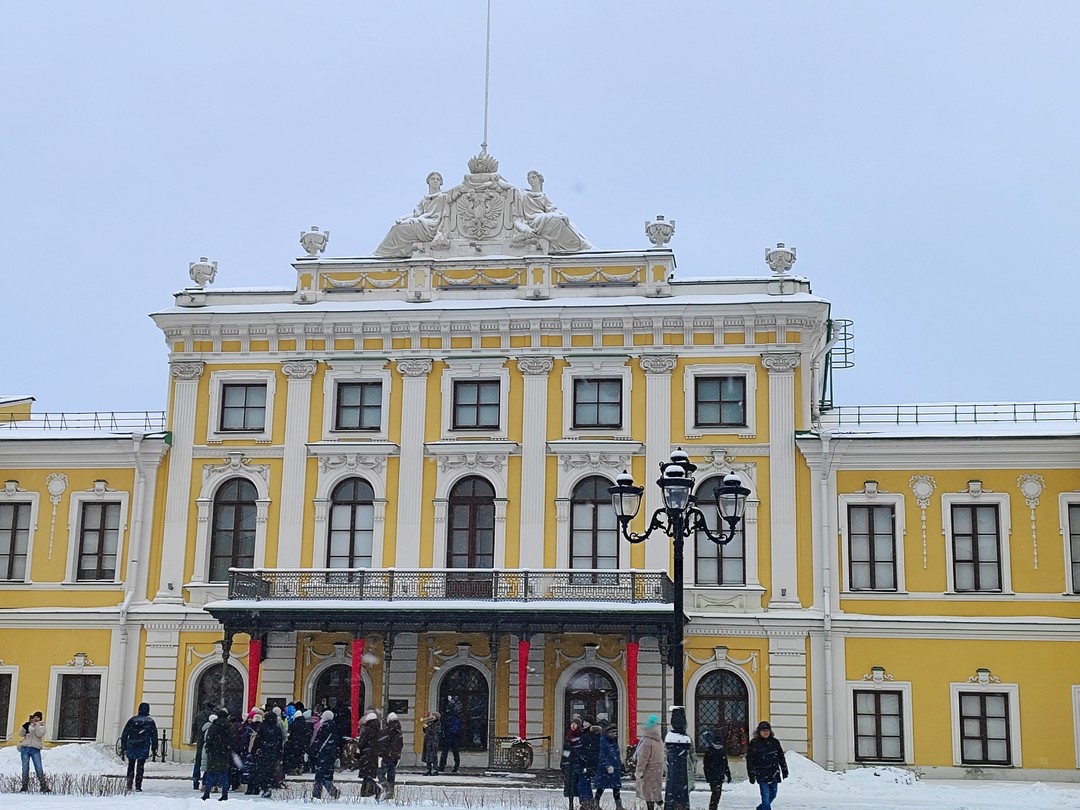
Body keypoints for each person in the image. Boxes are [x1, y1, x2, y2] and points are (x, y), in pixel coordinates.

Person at [375, 171, 449, 257]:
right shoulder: (424, 199)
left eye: (438, 179)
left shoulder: (443, 196)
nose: (435, 181)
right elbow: (415, 214)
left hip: (433, 225)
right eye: (433, 179)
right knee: (396, 228)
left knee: (398, 229)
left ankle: (382, 254)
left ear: (441, 183)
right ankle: (385, 253)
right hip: (422, 222)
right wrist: (402, 218)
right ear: (428, 182)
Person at [516, 170, 592, 253]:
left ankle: (579, 243)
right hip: (534, 220)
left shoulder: (544, 197)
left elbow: (553, 210)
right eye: (529, 178)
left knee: (568, 222)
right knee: (558, 220)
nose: (531, 180)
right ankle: (580, 244)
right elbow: (509, 187)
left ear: (540, 180)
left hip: (543, 218)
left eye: (533, 177)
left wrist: (562, 214)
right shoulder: (525, 195)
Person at [745, 721, 788, 810]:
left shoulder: (775, 742)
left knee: (773, 794)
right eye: (763, 730)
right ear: (759, 732)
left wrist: (784, 770)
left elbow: (781, 757)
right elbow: (750, 760)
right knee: (765, 797)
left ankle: (760, 808)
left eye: (767, 730)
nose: (766, 732)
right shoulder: (754, 743)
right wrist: (751, 774)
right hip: (761, 773)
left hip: (774, 772)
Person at [120, 702, 159, 792]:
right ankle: (138, 786)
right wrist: (154, 747)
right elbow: (154, 735)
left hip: (132, 745)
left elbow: (125, 733)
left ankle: (129, 784)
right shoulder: (150, 722)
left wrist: (123, 745)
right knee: (140, 766)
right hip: (143, 746)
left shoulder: (132, 720)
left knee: (131, 765)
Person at [202, 709, 235, 802]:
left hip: (214, 753)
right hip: (224, 753)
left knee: (211, 774)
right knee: (224, 774)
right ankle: (224, 794)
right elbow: (232, 740)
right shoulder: (229, 727)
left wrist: (209, 749)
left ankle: (207, 793)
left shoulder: (213, 726)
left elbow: (209, 740)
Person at [251, 707, 284, 798]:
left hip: (263, 752)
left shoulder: (262, 727)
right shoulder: (277, 729)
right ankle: (268, 785)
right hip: (273, 753)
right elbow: (280, 742)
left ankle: (264, 786)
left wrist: (254, 750)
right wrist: (280, 754)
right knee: (270, 771)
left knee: (261, 771)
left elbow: (257, 740)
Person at [310, 709, 341, 800]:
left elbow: (319, 741)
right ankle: (332, 791)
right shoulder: (334, 729)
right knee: (327, 775)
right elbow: (337, 743)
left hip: (323, 755)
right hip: (330, 755)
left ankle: (317, 795)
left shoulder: (324, 728)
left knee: (319, 776)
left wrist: (312, 751)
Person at [634, 715, 664, 810]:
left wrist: (639, 771)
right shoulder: (658, 740)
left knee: (648, 794)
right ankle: (660, 804)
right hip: (657, 769)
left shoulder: (647, 741)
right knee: (655, 792)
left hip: (648, 770)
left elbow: (643, 758)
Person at [594, 723, 624, 810]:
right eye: (613, 732)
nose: (615, 734)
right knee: (601, 787)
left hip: (614, 769)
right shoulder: (603, 741)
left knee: (616, 788)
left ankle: (619, 806)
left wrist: (620, 765)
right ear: (608, 733)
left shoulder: (612, 741)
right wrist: (607, 765)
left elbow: (616, 754)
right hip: (605, 770)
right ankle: (596, 804)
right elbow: (601, 755)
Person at [18, 710, 49, 793]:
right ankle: (24, 785)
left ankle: (43, 785)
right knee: (25, 767)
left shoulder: (41, 726)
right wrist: (24, 727)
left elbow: (39, 734)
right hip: (25, 748)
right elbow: (21, 734)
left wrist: (36, 725)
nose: (36, 719)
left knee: (38, 767)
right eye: (35, 717)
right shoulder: (28, 725)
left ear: (40, 718)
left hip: (35, 748)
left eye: (38, 717)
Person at [354, 710, 383, 797]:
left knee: (366, 776)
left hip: (366, 755)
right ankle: (366, 793)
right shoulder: (378, 731)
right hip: (374, 756)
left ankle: (375, 790)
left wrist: (357, 752)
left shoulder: (367, 730)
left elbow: (361, 743)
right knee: (368, 775)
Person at [702, 729, 732, 810]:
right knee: (716, 792)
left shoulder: (721, 751)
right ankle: (713, 807)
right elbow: (706, 765)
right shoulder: (710, 751)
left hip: (720, 776)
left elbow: (725, 764)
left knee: (718, 793)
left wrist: (728, 774)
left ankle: (714, 806)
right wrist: (708, 776)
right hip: (713, 776)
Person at [378, 712, 404, 798]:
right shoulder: (399, 731)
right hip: (395, 757)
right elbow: (400, 745)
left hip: (387, 756)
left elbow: (382, 743)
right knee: (391, 776)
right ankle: (391, 793)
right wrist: (397, 755)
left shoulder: (387, 730)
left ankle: (388, 789)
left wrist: (381, 753)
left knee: (381, 774)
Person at [561, 715, 584, 810]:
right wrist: (563, 763)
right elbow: (565, 752)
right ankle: (570, 804)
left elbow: (582, 751)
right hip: (569, 765)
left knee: (578, 785)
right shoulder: (568, 736)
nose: (573, 726)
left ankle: (583, 804)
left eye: (575, 724)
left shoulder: (581, 736)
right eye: (572, 724)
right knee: (569, 785)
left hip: (577, 764)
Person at [191, 700, 215, 790]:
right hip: (209, 742)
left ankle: (195, 781)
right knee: (208, 762)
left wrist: (199, 735)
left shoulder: (199, 715)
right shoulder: (213, 716)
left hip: (200, 741)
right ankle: (205, 782)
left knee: (198, 761)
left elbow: (194, 728)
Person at [578, 720, 602, 809]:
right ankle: (590, 801)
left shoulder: (588, 736)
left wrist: (584, 759)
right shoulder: (586, 734)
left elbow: (589, 751)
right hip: (588, 763)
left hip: (586, 763)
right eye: (584, 722)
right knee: (586, 782)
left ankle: (585, 802)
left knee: (583, 782)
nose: (584, 724)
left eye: (587, 722)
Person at [438, 702, 462, 773]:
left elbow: (455, 728)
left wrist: (446, 732)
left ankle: (443, 766)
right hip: (451, 737)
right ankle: (454, 767)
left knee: (447, 753)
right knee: (452, 753)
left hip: (451, 737)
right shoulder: (453, 717)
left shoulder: (449, 718)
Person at [422, 711, 441, 775]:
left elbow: (435, 731)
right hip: (428, 740)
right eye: (432, 715)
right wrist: (424, 728)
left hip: (434, 741)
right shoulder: (429, 722)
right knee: (427, 755)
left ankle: (435, 769)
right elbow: (425, 731)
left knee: (434, 755)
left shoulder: (438, 723)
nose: (432, 717)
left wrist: (428, 727)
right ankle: (428, 769)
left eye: (434, 716)